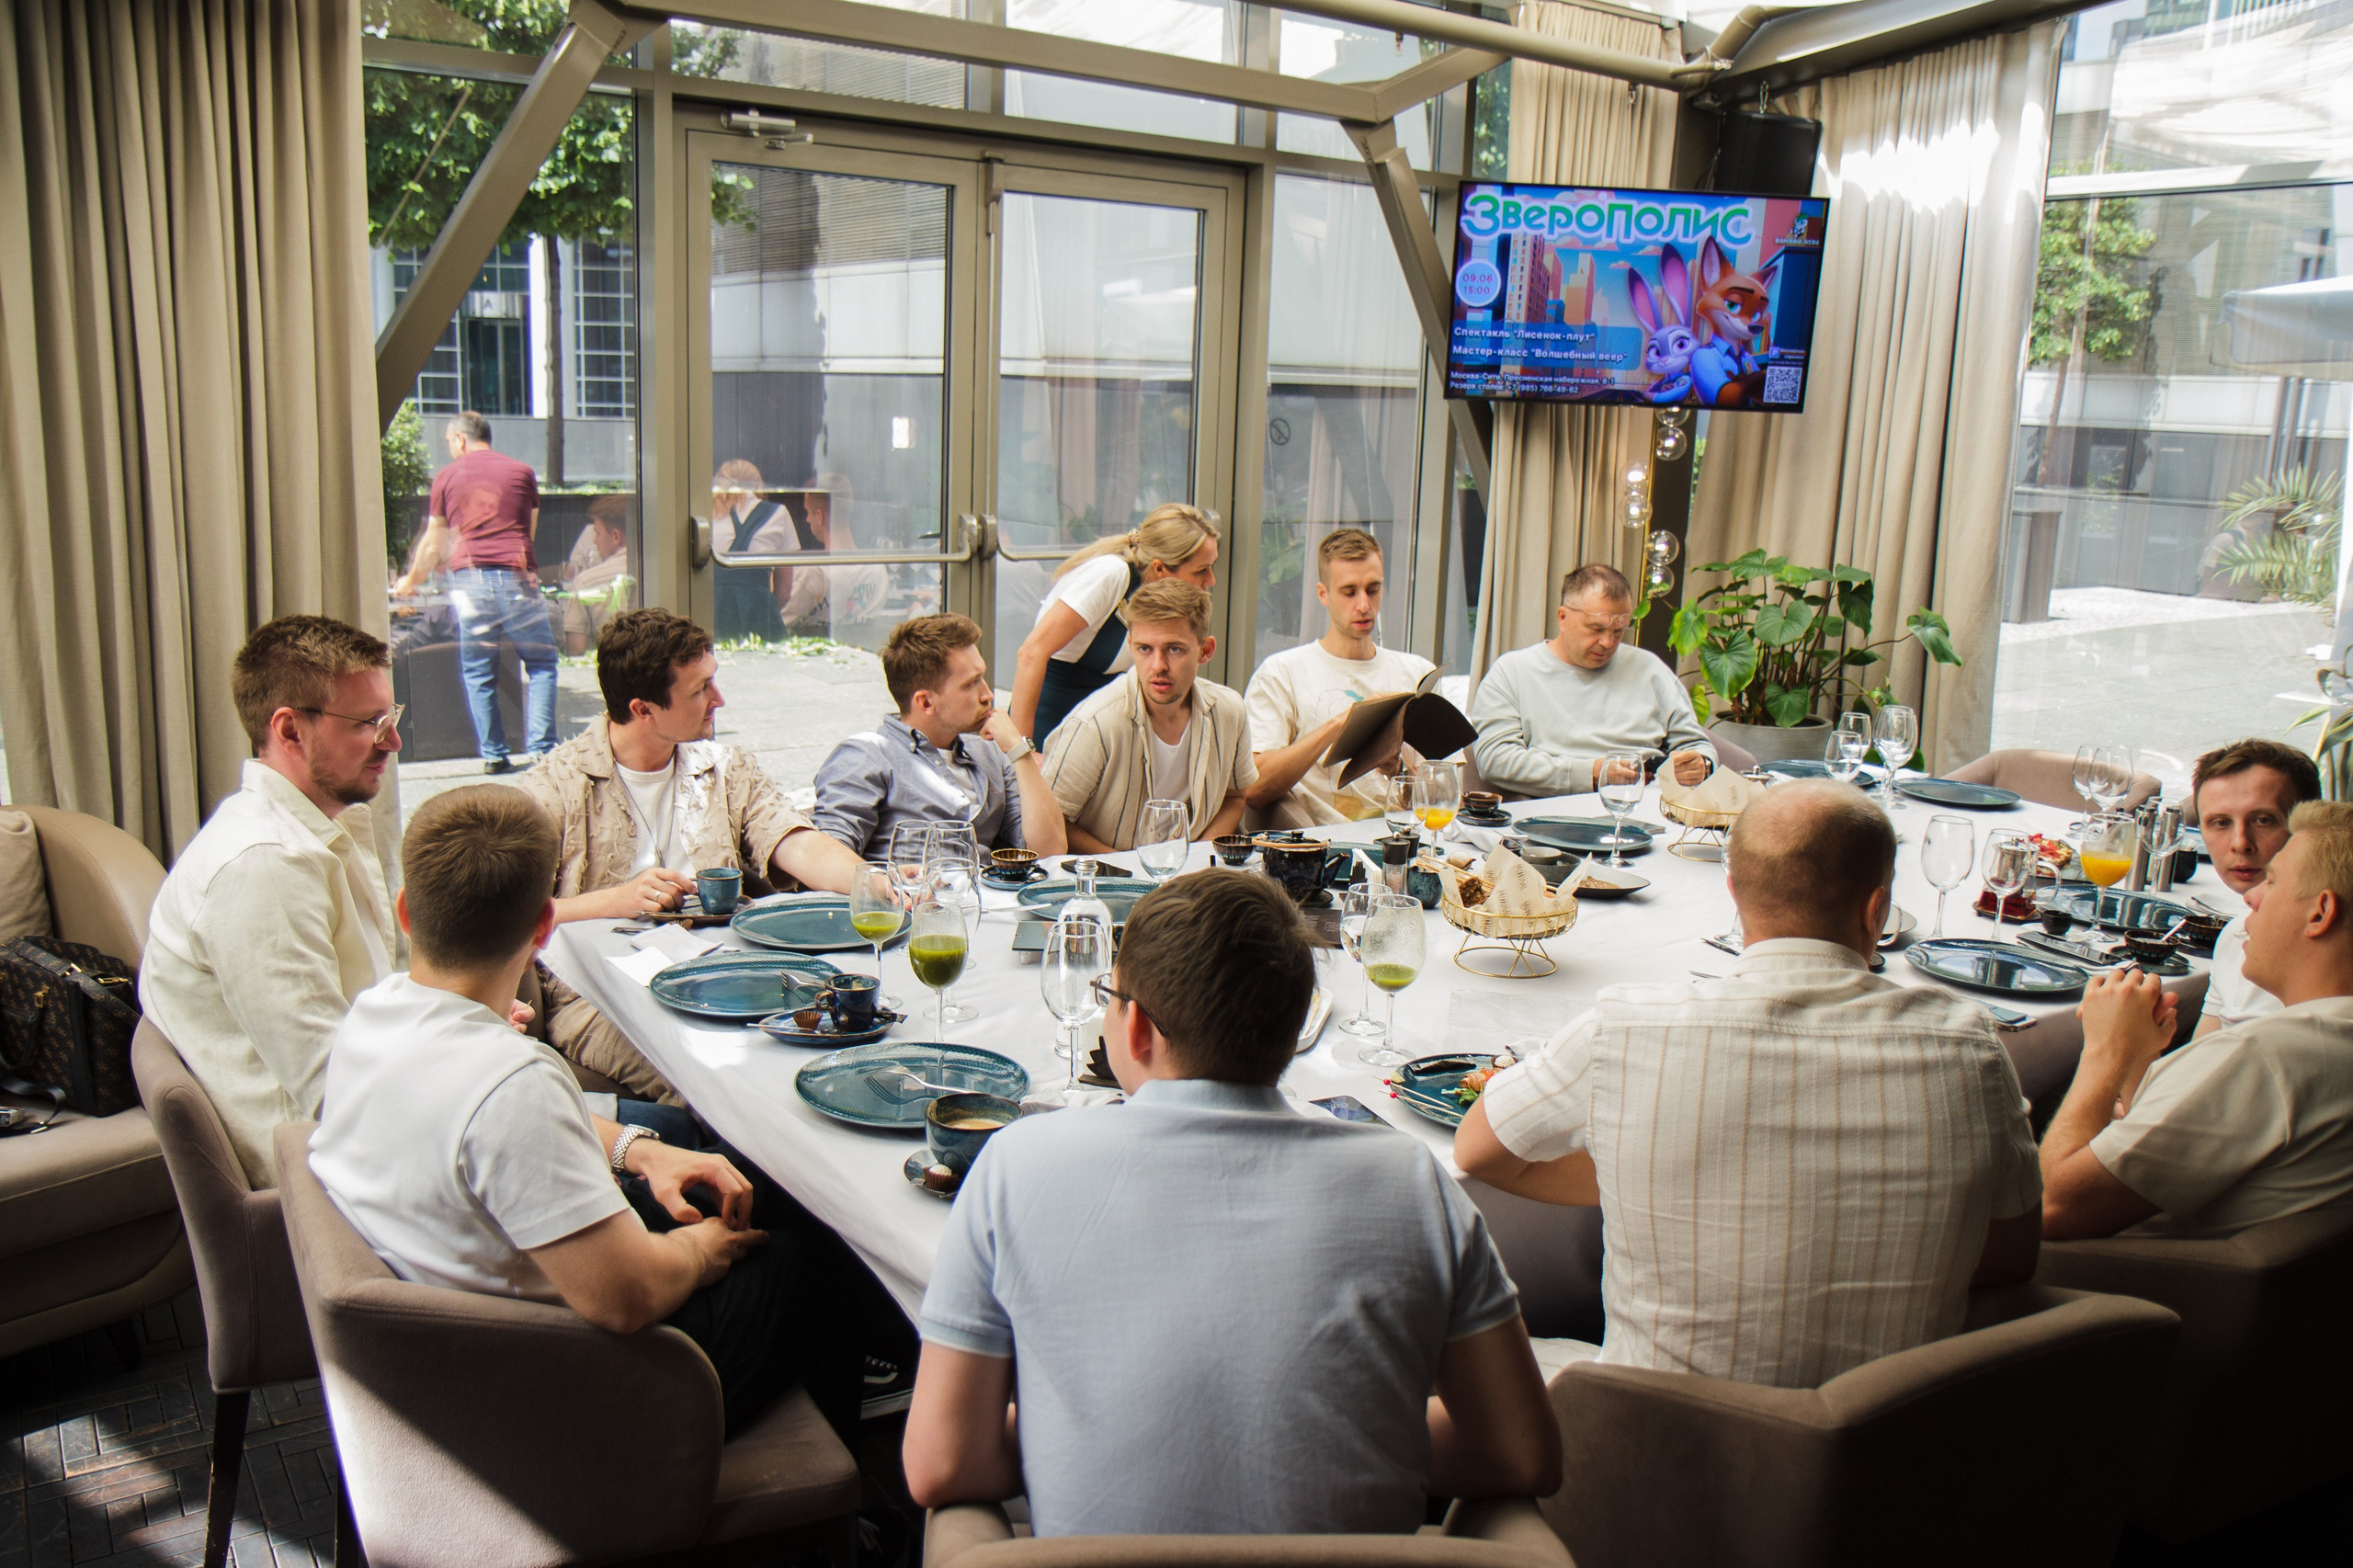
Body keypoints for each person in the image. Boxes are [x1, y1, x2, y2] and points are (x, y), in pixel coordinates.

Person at [903, 870, 1559, 1535]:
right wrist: (1356, 1432)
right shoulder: (1413, 1183)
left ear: (1137, 1029)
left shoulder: (1013, 1166)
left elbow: (941, 1465)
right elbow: (1523, 1454)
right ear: (1295, 1028)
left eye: (1110, 996)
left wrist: (1074, 1431)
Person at [308, 786, 897, 1440]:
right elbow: (626, 1297)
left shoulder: (373, 1017)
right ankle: (838, 1484)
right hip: (575, 1394)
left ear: (406, 912)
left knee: (744, 1183)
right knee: (813, 1256)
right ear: (543, 927)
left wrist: (637, 1149)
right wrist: (696, 1252)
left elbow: (483, 1131)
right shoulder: (512, 1083)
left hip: (461, 1335)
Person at [1454, 779, 2043, 1388]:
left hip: (1648, 1429)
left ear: (1733, 894)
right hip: (1885, 1435)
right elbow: (2012, 1258)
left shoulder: (1625, 1029)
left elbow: (1478, 1151)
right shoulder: (1972, 1048)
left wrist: (1647, 1170)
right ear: (1877, 909)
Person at [140, 614, 667, 1181]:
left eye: (389, 716)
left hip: (408, 1117)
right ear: (290, 731)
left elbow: (369, 1023)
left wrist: (465, 1019)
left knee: (664, 1127)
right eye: (369, 723)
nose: (392, 740)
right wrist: (620, 1146)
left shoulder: (309, 831)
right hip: (368, 1172)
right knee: (685, 1143)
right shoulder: (263, 868)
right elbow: (341, 1092)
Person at [2040, 800, 2353, 1241]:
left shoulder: (2263, 1058)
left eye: (2273, 881)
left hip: (2115, 1276)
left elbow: (2052, 1209)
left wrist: (2105, 1050)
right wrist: (2138, 1058)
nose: (2250, 896)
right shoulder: (2326, 1044)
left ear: (2319, 913)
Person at [517, 608, 865, 917]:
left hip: (718, 959)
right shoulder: (552, 789)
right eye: (700, 690)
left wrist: (877, 887)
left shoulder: (726, 769)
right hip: (599, 966)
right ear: (643, 710)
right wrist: (614, 902)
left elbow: (800, 845)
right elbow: (507, 916)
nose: (719, 699)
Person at [811, 614, 1067, 860]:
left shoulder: (991, 752)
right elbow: (828, 858)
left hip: (989, 888)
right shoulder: (866, 756)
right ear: (925, 702)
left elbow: (1050, 851)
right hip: (911, 889)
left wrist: (1019, 751)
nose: (987, 694)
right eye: (971, 684)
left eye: (983, 677)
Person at [393, 412, 558, 774]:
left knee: (478, 670)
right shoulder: (522, 472)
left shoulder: (447, 476)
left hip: (470, 582)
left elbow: (434, 543)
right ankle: (542, 752)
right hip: (517, 578)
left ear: (460, 439)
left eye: (449, 442)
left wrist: (412, 579)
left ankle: (494, 755)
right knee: (541, 663)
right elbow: (527, 534)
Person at [1039, 581, 1256, 853]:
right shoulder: (1094, 723)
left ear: (1206, 650)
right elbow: (1048, 822)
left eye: (1174, 649)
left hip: (1193, 870)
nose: (1158, 666)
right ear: (1130, 645)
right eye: (1145, 649)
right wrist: (1132, 867)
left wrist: (1197, 857)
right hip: (1109, 872)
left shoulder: (1230, 710)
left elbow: (1236, 795)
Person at [1243, 528, 1437, 826]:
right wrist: (1341, 724)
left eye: (1373, 590)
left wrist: (1395, 768)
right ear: (1323, 594)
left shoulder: (1417, 672)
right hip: (1327, 843)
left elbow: (1448, 800)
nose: (1364, 605)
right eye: (1349, 592)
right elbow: (1254, 789)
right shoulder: (1282, 672)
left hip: (1408, 839)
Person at [1469, 563, 1712, 796]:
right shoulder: (1513, 672)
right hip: (1557, 809)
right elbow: (1495, 759)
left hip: (1650, 806)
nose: (1608, 642)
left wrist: (1701, 764)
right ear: (1563, 617)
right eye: (1596, 629)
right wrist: (1591, 774)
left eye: (1618, 631)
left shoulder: (1650, 669)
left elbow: (1697, 745)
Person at [1008, 503, 1220, 745]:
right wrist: (1021, 750)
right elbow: (1031, 652)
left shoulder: (1165, 601)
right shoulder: (1112, 575)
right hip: (1048, 721)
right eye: (1201, 571)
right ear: (1160, 568)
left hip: (1100, 726)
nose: (1211, 580)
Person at [2188, 738, 2320, 1036]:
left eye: (2263, 820)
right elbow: (2202, 1053)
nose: (2240, 843)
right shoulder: (2234, 935)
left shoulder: (2321, 952)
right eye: (2220, 823)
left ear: (2308, 828)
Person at [710, 459, 790, 644]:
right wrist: (763, 610)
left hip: (715, 618)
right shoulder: (779, 513)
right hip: (761, 620)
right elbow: (785, 590)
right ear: (759, 485)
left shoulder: (706, 514)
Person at [558, 494, 633, 654]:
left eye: (598, 533)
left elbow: (576, 650)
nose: (594, 541)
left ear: (616, 537)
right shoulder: (665, 574)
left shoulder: (585, 582)